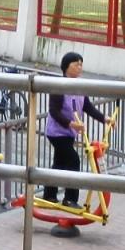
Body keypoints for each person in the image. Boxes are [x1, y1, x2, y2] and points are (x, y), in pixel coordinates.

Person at [43, 52, 110, 208]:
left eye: (81, 64)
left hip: (69, 133)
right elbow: (54, 111)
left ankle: (49, 195)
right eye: (76, 64)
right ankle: (70, 199)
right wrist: (71, 124)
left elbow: (87, 107)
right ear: (66, 67)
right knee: (74, 160)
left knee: (59, 163)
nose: (79, 68)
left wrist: (104, 118)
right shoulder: (59, 86)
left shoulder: (79, 86)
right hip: (57, 133)